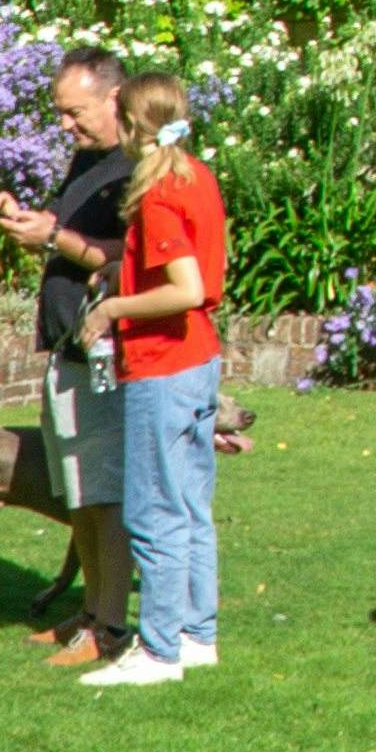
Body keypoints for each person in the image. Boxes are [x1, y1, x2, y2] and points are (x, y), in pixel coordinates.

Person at [0, 47, 139, 663]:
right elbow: (73, 244)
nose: (65, 126)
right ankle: (91, 613)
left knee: (106, 496)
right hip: (70, 346)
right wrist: (30, 226)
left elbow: (128, 262)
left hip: (106, 351)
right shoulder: (90, 160)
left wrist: (56, 238)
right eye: (61, 115)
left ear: (115, 98)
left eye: (76, 113)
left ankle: (109, 628)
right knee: (82, 495)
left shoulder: (136, 170)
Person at [78, 68, 229, 688]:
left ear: (135, 124)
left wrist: (112, 309)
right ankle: (197, 635)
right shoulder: (197, 176)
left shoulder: (161, 193)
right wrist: (123, 279)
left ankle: (160, 650)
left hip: (164, 368)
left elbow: (187, 289)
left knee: (153, 510)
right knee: (191, 506)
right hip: (199, 364)